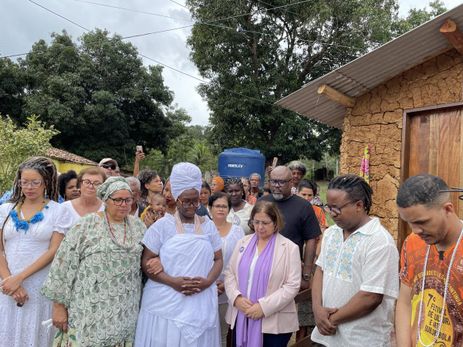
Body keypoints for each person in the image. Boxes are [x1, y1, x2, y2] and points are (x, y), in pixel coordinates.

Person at [42, 176, 147, 346]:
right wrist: (58, 307)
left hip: (125, 309)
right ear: (106, 200)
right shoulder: (86, 225)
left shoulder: (139, 227)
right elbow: (62, 265)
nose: (124, 204)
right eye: (118, 200)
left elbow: (146, 262)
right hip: (88, 308)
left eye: (127, 200)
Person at [135, 162, 223, 347]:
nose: (192, 206)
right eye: (186, 201)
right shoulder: (161, 226)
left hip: (200, 298)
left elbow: (218, 259)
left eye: (195, 201)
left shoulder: (208, 226)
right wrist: (173, 282)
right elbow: (146, 262)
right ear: (176, 198)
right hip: (165, 301)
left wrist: (208, 282)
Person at [311, 174, 399, 346]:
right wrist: (317, 309)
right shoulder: (331, 233)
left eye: (336, 208)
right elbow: (320, 270)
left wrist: (330, 319)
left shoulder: (379, 241)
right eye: (328, 208)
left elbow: (371, 296)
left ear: (359, 205)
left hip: (361, 339)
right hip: (327, 337)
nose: (332, 214)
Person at [0, 156, 72, 347]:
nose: (29, 187)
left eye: (35, 182)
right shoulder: (6, 209)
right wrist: (10, 280)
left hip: (39, 284)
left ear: (46, 183)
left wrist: (20, 277)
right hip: (6, 284)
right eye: (25, 182)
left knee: (33, 335)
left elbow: (54, 250)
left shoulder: (58, 211)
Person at [395, 174, 463, 346]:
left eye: (422, 222)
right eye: (409, 223)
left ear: (448, 209)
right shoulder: (412, 242)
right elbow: (404, 302)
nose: (416, 230)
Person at [224, 200, 301, 347]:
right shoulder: (243, 243)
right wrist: (236, 298)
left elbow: (292, 285)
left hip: (274, 322)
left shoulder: (289, 248)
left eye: (265, 223)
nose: (259, 227)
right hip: (242, 314)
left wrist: (263, 307)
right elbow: (230, 274)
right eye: (256, 222)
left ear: (275, 223)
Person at [261, 166, 321, 342]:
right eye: (273, 181)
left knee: (281, 324)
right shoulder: (262, 203)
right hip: (262, 273)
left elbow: (311, 239)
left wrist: (307, 274)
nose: (277, 186)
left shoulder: (303, 206)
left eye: (281, 182)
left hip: (288, 276)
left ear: (291, 183)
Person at [209, 192, 245, 346]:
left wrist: (225, 285)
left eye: (224, 206)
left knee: (224, 333)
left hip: (228, 288)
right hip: (205, 287)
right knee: (205, 330)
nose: (221, 209)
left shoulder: (237, 231)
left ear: (229, 209)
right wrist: (210, 283)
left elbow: (241, 261)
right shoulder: (201, 229)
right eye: (217, 206)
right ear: (210, 208)